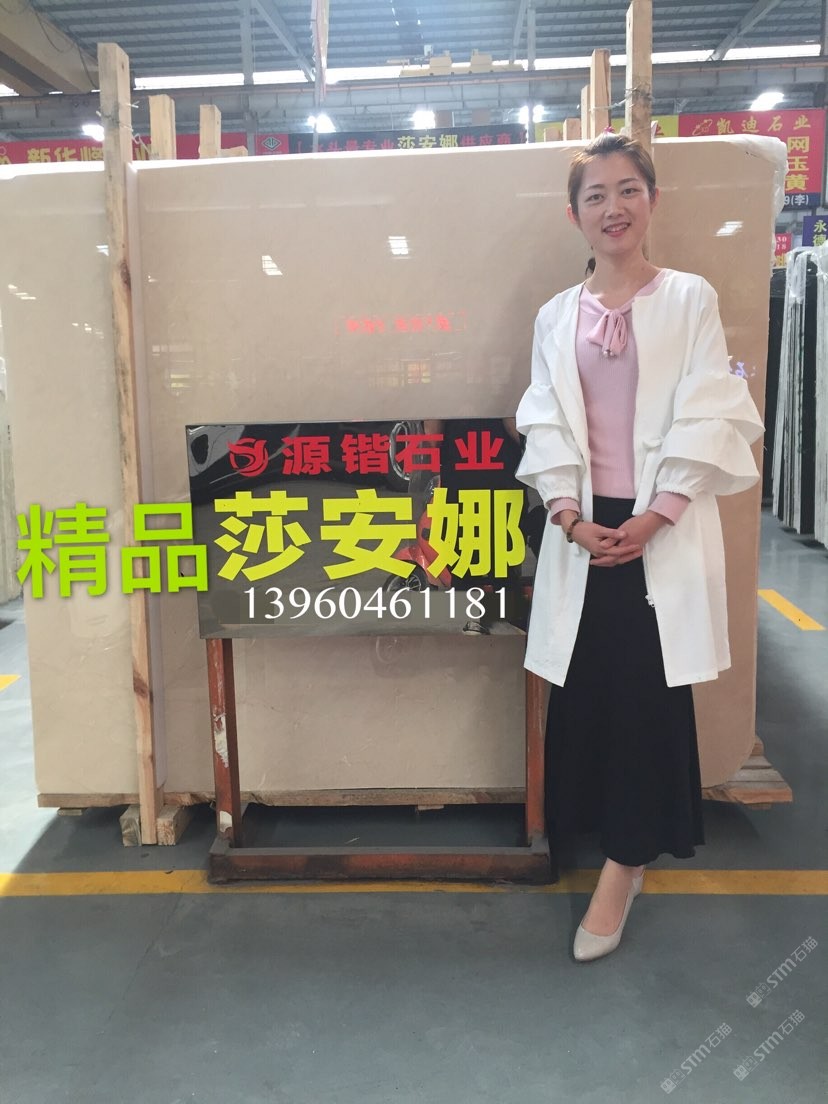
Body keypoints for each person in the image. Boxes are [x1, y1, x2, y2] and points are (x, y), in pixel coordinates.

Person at [514, 132, 764, 962]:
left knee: (648, 698)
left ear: (651, 201)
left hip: (659, 527)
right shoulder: (557, 315)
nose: (613, 207)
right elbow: (546, 418)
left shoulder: (688, 298)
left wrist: (658, 514)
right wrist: (565, 512)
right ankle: (608, 836)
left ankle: (625, 867)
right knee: (589, 691)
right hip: (584, 530)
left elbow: (709, 411)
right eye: (595, 195)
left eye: (628, 190)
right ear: (574, 215)